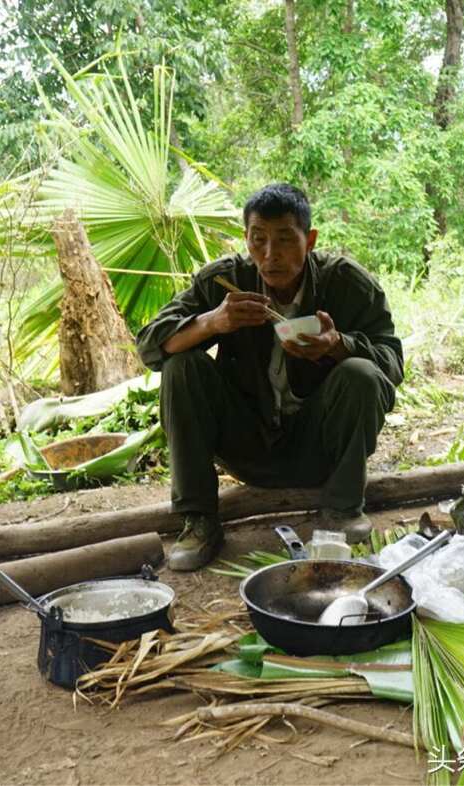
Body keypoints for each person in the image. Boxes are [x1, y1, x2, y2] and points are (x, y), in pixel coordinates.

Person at [136, 183, 403, 570]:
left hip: (320, 450)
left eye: (284, 240)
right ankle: (198, 520)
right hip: (245, 445)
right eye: (258, 240)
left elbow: (392, 362)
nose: (270, 255)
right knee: (181, 365)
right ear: (246, 240)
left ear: (309, 240)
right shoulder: (225, 281)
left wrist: (337, 345)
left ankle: (343, 509)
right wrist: (212, 322)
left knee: (361, 371)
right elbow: (148, 345)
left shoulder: (345, 283)